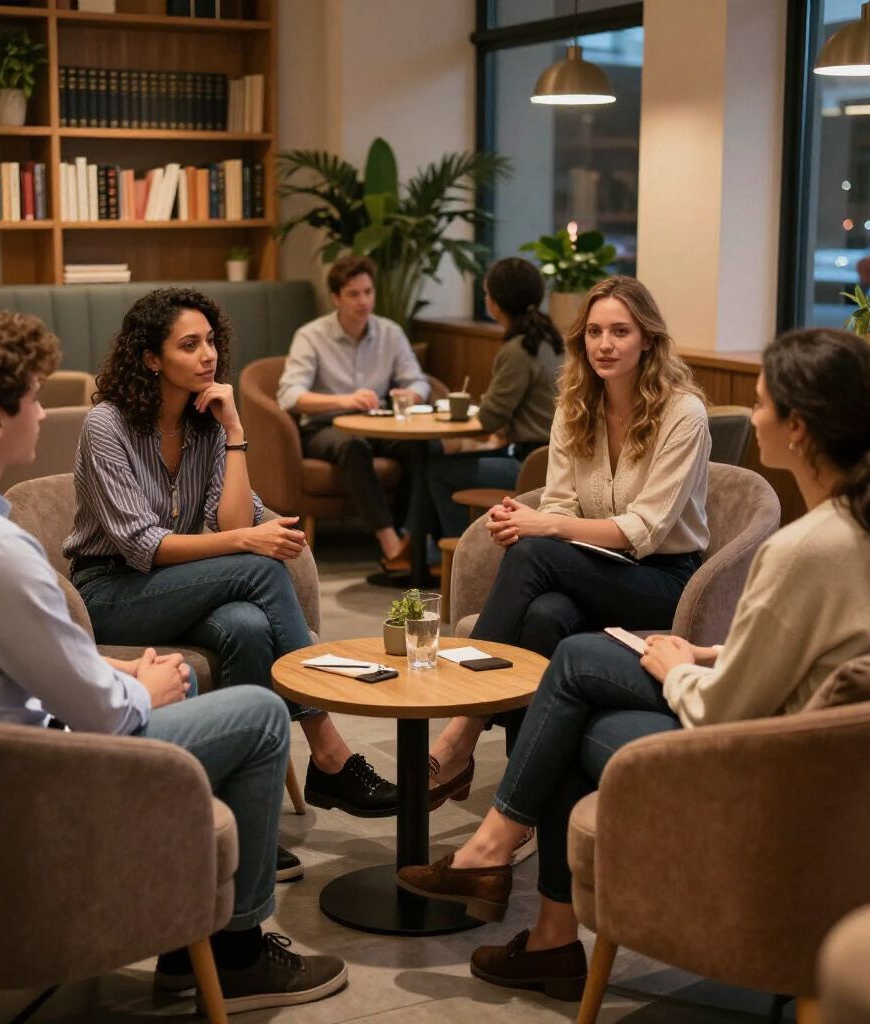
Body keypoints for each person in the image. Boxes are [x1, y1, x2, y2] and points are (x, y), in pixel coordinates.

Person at [0, 307, 349, 1014]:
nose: (42, 409)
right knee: (259, 714)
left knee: (235, 628)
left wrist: (112, 671)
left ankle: (189, 948)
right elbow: (100, 714)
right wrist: (143, 686)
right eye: (32, 395)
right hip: (32, 793)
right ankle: (236, 951)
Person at [398, 327, 870, 1001]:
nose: (752, 418)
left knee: (570, 686)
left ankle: (514, 883)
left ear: (800, 428)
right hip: (835, 765)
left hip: (763, 768)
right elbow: (826, 646)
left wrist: (674, 667)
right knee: (563, 647)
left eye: (761, 404)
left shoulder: (802, 550)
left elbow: (722, 709)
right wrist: (716, 651)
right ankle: (533, 917)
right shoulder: (869, 528)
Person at [64, 287, 397, 818]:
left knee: (245, 624)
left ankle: (241, 811)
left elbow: (236, 519)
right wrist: (245, 543)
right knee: (257, 565)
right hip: (109, 590)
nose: (208, 355)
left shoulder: (210, 420)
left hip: (189, 584)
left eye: (211, 342)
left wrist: (236, 431)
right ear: (151, 359)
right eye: (189, 345)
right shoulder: (107, 425)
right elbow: (142, 544)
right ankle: (329, 750)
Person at [428, 275, 711, 807]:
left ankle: (460, 730)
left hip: (666, 579)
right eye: (595, 332)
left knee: (535, 547)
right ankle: (526, 804)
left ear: (647, 338)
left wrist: (546, 528)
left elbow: (643, 530)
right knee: (544, 615)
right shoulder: (574, 406)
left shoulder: (683, 413)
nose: (605, 344)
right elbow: (557, 503)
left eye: (621, 332)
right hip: (591, 568)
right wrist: (530, 520)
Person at [276, 254, 431, 572]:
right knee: (353, 446)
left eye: (368, 292)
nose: (364, 301)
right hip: (324, 427)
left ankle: (411, 538)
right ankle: (390, 544)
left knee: (422, 445)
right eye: (354, 294)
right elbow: (289, 396)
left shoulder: (390, 332)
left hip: (378, 424)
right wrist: (346, 400)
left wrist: (411, 393)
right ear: (336, 298)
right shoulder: (311, 335)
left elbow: (418, 380)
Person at [422, 257, 563, 541]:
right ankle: (414, 548)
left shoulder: (518, 349)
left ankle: (456, 550)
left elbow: (489, 419)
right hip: (552, 460)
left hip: (530, 465)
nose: (486, 299)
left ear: (497, 302)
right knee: (435, 458)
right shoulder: (550, 340)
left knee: (438, 470)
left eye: (487, 293)